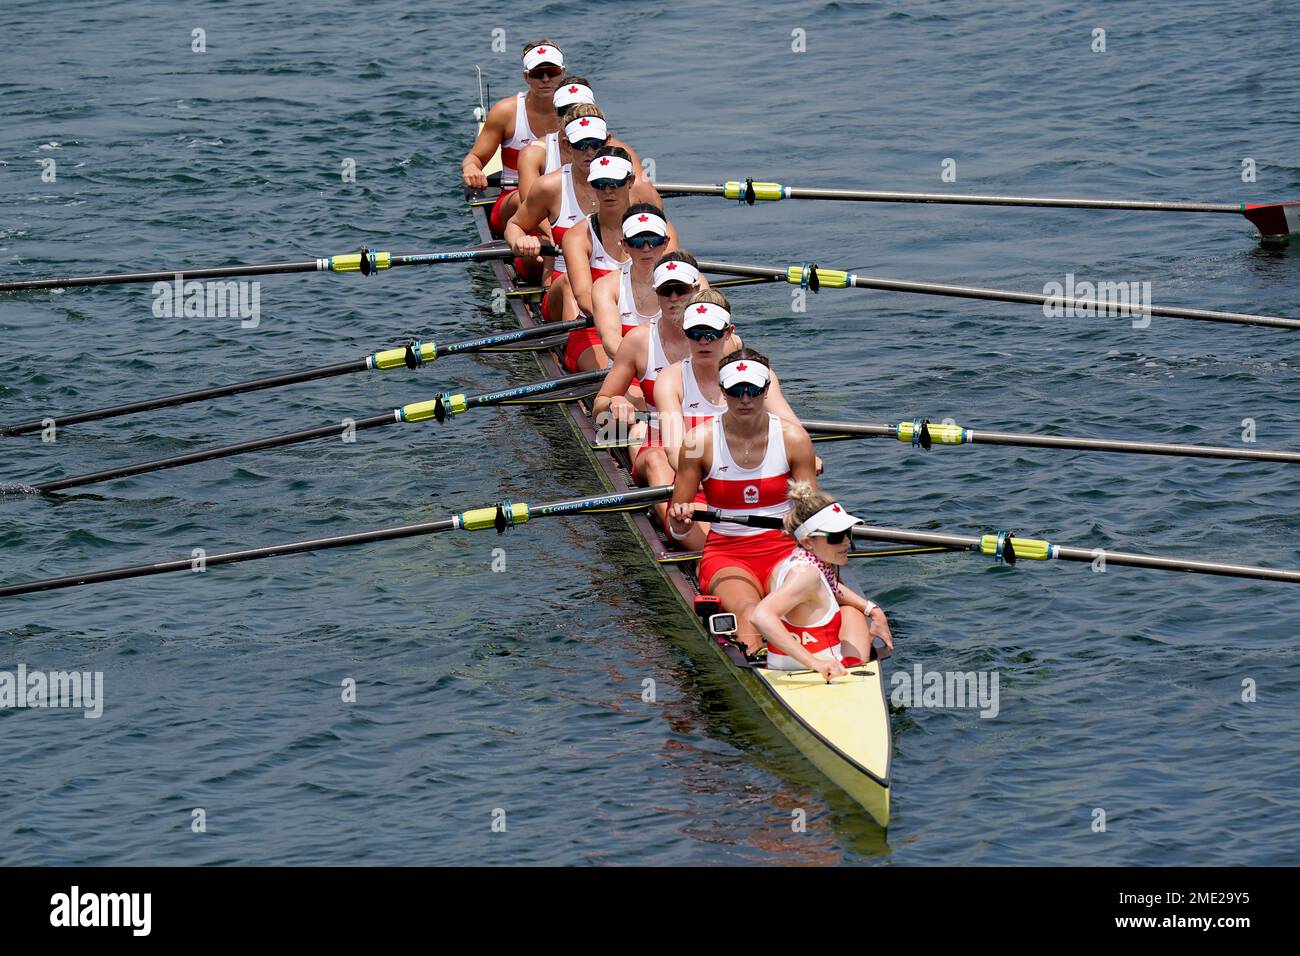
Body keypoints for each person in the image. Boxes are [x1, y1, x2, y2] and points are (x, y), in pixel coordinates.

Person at [667, 349, 819, 655]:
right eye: (736, 390)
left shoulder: (794, 439)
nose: (745, 399)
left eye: (753, 390)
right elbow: (676, 526)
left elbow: (810, 513)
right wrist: (680, 520)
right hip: (727, 554)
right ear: (723, 391)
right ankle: (760, 664)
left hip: (785, 549)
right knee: (750, 612)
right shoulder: (698, 442)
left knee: (800, 608)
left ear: (766, 390)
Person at [750, 485, 894, 680]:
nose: (846, 542)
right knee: (853, 613)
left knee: (852, 611)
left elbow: (829, 587)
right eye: (835, 536)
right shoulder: (806, 575)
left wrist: (873, 610)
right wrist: (815, 663)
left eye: (847, 532)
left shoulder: (791, 562)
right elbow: (760, 615)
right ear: (807, 542)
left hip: (791, 665)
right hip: (822, 673)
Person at [462, 40, 565, 236]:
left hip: (562, 199)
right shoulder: (506, 112)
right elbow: (474, 158)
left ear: (563, 73)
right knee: (528, 198)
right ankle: (556, 238)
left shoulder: (578, 113)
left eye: (552, 72)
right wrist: (471, 168)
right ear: (526, 77)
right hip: (512, 203)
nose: (545, 79)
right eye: (537, 73)